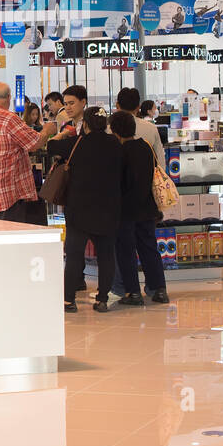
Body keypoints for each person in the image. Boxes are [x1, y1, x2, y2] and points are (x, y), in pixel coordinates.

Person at [0, 82, 57, 223]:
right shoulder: (9, 118)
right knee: (6, 233)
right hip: (2, 191)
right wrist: (47, 131)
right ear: (9, 97)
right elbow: (34, 143)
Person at [62, 108, 123, 313]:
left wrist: (62, 135)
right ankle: (102, 299)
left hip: (79, 209)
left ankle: (69, 300)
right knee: (106, 255)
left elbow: (52, 146)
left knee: (74, 254)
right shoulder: (115, 143)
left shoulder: (78, 143)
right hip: (108, 208)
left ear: (86, 124)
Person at [110, 111, 169, 307]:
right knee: (149, 249)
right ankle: (159, 289)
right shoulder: (145, 146)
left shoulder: (119, 151)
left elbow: (118, 181)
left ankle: (133, 292)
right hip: (147, 207)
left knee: (126, 251)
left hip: (126, 210)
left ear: (115, 131)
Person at [115, 87, 165, 170]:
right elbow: (160, 159)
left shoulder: (109, 129)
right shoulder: (151, 128)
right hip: (146, 176)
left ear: (117, 105)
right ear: (138, 107)